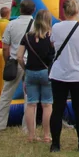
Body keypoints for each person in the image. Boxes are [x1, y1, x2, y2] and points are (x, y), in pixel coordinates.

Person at [49, 0, 79, 152]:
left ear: (64, 11)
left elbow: (53, 44)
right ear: (77, 11)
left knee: (58, 108)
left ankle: (55, 144)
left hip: (59, 73)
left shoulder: (56, 27)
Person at [0, 0, 35, 131]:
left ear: (20, 10)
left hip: (15, 61)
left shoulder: (11, 24)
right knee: (29, 98)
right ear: (33, 10)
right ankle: (27, 127)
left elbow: (5, 47)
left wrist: (8, 61)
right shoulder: (36, 25)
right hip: (31, 64)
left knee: (6, 95)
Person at [17, 8, 55, 144]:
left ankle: (31, 135)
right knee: (47, 105)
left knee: (31, 104)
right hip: (46, 72)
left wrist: (25, 68)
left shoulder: (27, 36)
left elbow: (19, 56)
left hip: (31, 72)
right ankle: (46, 135)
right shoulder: (51, 37)